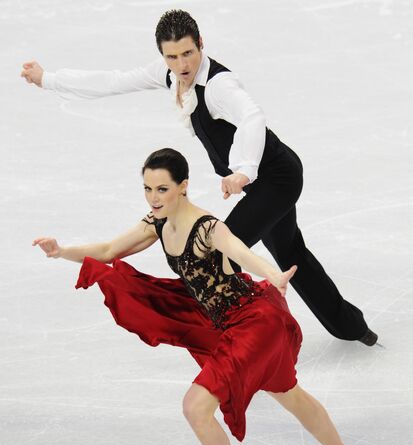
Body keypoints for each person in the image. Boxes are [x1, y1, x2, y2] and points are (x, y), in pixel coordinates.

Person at [33, 148, 377, 445]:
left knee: (196, 406)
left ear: (183, 187)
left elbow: (242, 252)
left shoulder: (207, 227)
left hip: (254, 322)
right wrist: (62, 252)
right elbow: (109, 251)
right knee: (288, 392)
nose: (154, 197)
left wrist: (273, 274)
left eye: (162, 188)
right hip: (220, 325)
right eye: (147, 188)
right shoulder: (156, 222)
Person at [21, 9, 378, 347]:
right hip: (259, 181)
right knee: (289, 251)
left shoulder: (220, 86)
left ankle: (245, 342)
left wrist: (242, 170)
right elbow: (114, 81)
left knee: (220, 256)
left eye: (188, 54)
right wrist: (48, 79)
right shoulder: (170, 74)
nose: (182, 65)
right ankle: (353, 328)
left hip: (276, 177)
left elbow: (253, 117)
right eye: (171, 57)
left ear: (201, 43)